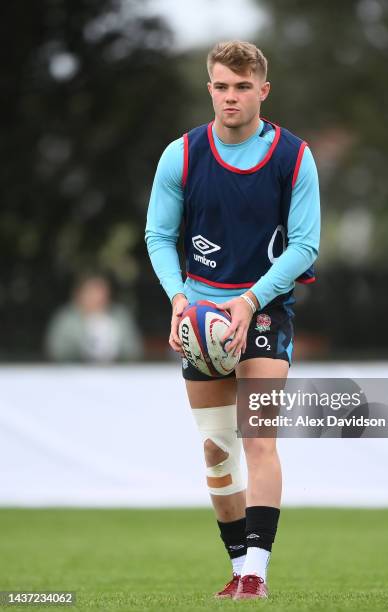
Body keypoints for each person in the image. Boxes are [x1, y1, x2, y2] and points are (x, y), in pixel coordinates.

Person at [145, 41, 321, 600]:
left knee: (259, 439)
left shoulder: (294, 156)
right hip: (199, 315)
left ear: (262, 91)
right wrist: (178, 299)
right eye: (221, 86)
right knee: (217, 450)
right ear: (210, 89)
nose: (231, 97)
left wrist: (248, 302)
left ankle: (256, 574)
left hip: (264, 310)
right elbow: (157, 236)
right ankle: (237, 562)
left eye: (242, 87)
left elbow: (306, 247)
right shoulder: (182, 154)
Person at [45, 274, 143, 362]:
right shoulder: (66, 318)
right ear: (79, 295)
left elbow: (133, 350)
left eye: (102, 293)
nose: (98, 298)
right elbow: (56, 350)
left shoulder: (120, 316)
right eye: (92, 293)